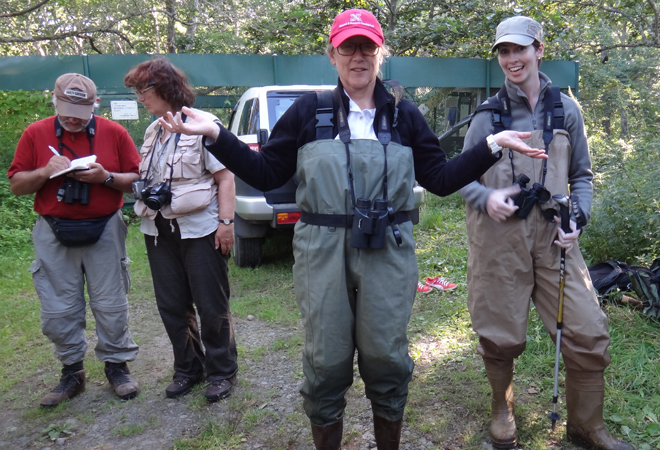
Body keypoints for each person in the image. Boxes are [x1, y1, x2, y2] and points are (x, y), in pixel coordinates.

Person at [157, 9, 545, 449]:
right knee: (326, 361)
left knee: (386, 358)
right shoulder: (309, 111)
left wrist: (492, 146)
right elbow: (267, 174)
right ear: (333, 54)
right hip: (322, 250)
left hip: (389, 249)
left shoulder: (403, 115)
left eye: (367, 47)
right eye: (348, 47)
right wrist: (217, 135)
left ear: (381, 55)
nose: (357, 56)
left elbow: (438, 179)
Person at [458, 16, 633, 450]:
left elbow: (583, 176)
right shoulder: (488, 116)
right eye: (504, 51)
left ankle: (586, 426)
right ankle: (502, 411)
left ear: (539, 48)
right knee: (500, 334)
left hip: (555, 238)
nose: (512, 59)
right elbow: (460, 177)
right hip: (498, 238)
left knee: (588, 330)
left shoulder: (567, 111)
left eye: (520, 49)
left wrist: (580, 218)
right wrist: (486, 199)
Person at [8, 73, 141, 407]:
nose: (71, 118)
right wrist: (44, 171)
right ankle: (72, 372)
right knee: (58, 306)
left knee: (111, 302)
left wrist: (105, 177)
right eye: (66, 110)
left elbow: (137, 180)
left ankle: (117, 367)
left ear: (94, 105)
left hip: (106, 227)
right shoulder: (36, 133)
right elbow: (16, 185)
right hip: (52, 228)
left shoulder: (115, 132)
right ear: (54, 100)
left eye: (80, 113)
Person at [123, 58, 238, 402]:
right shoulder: (153, 131)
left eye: (144, 89)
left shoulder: (203, 124)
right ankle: (189, 367)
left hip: (201, 229)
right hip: (158, 231)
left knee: (210, 303)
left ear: (164, 87)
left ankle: (222, 371)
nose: (140, 97)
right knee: (172, 304)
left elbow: (226, 177)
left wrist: (226, 224)